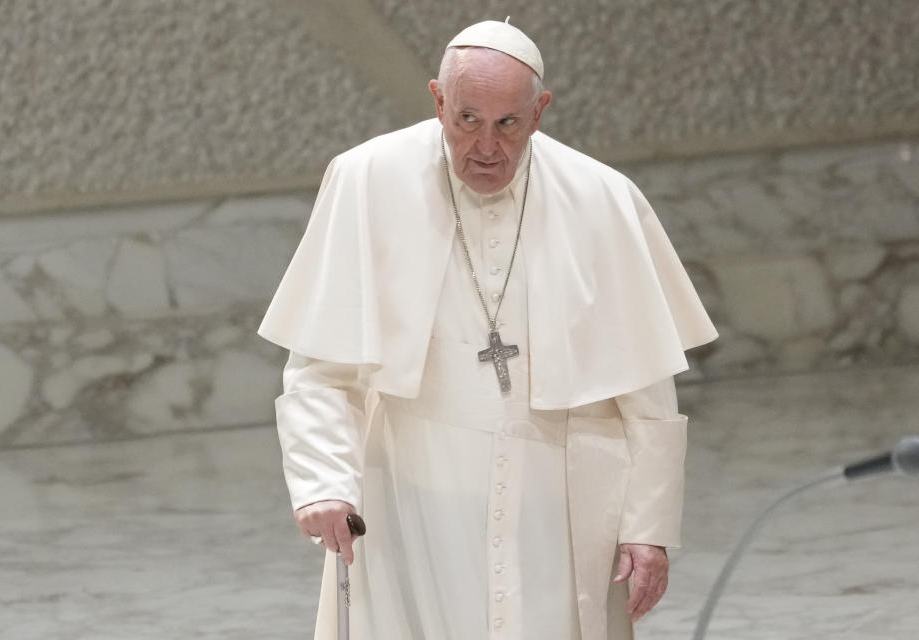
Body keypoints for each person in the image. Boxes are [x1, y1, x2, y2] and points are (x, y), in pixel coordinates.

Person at [259, 19, 717, 640]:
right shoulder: (366, 180)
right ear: (438, 100)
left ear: (540, 113)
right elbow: (320, 363)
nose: (486, 147)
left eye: (508, 124)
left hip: (556, 503)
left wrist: (649, 525)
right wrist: (323, 483)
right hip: (412, 494)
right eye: (467, 120)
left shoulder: (602, 198)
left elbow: (645, 387)